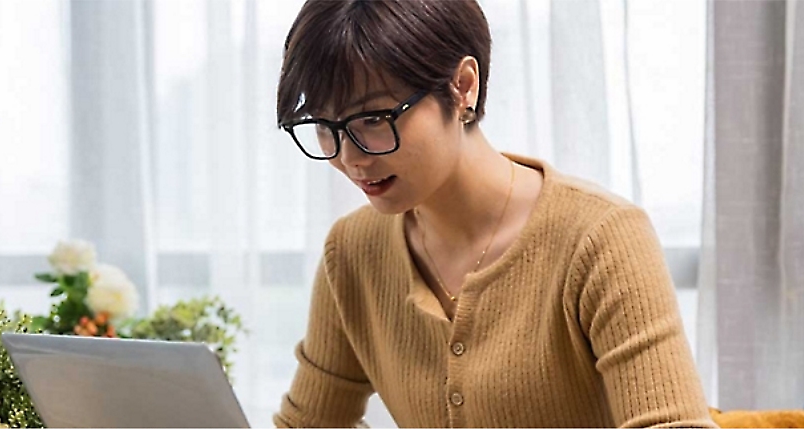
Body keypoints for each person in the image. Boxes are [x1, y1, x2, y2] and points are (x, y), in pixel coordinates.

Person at [272, 0, 716, 427]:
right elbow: (310, 423)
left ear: (463, 85)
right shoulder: (351, 252)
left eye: (373, 118)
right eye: (325, 125)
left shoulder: (600, 239)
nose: (350, 157)